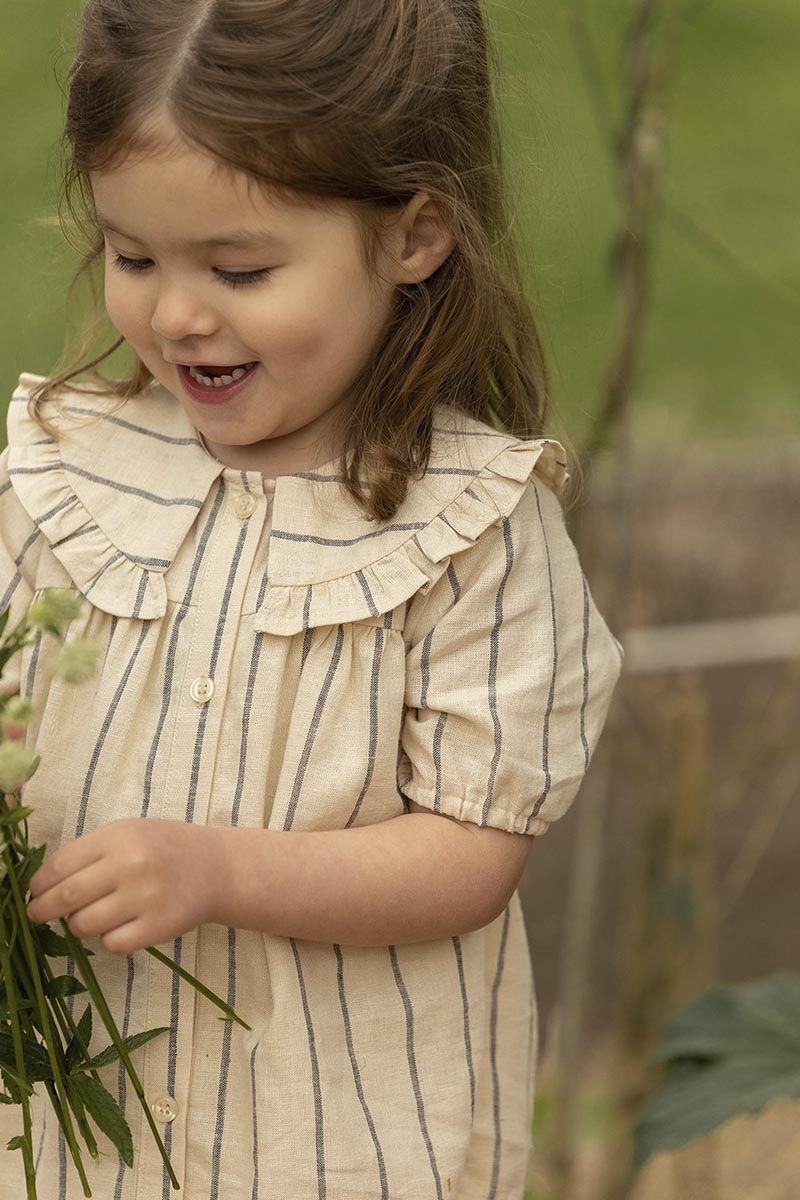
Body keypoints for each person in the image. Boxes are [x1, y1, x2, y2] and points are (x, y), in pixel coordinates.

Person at [0, 1, 625, 1196]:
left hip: (338, 1140)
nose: (176, 314)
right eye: (133, 256)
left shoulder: (474, 530)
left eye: (240, 268)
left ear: (413, 236)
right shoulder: (56, 475)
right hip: (72, 1138)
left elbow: (467, 854)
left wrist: (219, 873)